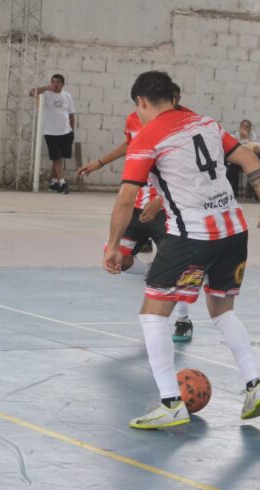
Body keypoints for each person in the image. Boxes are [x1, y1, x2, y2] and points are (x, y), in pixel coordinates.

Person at [104, 71, 260, 429]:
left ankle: (170, 403)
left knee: (153, 315)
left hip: (193, 236)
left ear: (141, 103)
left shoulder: (147, 136)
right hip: (234, 231)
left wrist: (112, 245)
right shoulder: (207, 123)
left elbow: (126, 198)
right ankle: (254, 384)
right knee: (222, 312)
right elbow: (248, 159)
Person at [77, 82, 194, 344]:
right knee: (117, 258)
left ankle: (183, 319)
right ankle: (149, 272)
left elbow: (188, 173)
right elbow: (129, 145)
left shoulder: (186, 125)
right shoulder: (135, 120)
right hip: (136, 205)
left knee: (181, 264)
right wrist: (98, 163)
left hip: (167, 207)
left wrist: (161, 199)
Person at [29, 74, 75, 194]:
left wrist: (71, 129)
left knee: (60, 157)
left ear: (62, 84)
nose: (55, 84)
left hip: (65, 131)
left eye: (58, 82)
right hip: (50, 132)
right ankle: (63, 182)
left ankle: (55, 182)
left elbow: (71, 114)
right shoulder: (45, 95)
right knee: (56, 157)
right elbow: (32, 92)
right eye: (53, 81)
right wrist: (46, 87)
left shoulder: (67, 96)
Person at [226, 119, 260, 197]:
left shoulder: (252, 135)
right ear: (240, 127)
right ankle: (234, 193)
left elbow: (255, 146)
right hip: (237, 161)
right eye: (243, 126)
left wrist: (246, 137)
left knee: (256, 170)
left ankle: (254, 195)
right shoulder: (236, 135)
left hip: (249, 161)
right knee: (232, 170)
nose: (245, 128)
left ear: (250, 128)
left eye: (247, 126)